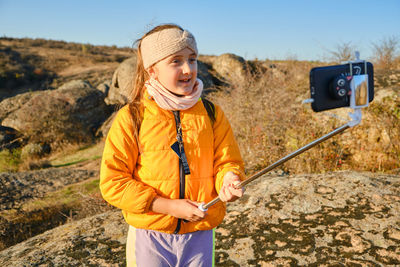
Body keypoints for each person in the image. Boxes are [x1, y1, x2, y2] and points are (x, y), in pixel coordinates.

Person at [100, 23, 245, 267]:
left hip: (200, 232)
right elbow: (113, 182)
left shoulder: (212, 114)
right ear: (152, 70)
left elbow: (227, 160)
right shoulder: (132, 117)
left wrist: (229, 179)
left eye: (192, 59)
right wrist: (167, 206)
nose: (188, 69)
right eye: (176, 61)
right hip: (149, 235)